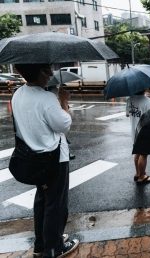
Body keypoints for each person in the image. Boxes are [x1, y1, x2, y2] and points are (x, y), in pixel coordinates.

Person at [12, 63, 78, 257]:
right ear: (37, 71)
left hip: (32, 158)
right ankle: (54, 248)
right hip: (53, 159)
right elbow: (64, 125)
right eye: (46, 69)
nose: (50, 73)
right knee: (56, 204)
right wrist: (64, 102)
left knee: (42, 200)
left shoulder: (18, 94)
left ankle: (42, 244)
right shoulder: (47, 98)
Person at [126, 91, 150, 184]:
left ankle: (138, 173)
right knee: (143, 154)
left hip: (134, 131)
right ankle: (142, 177)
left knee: (137, 152)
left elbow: (127, 114)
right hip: (143, 131)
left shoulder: (129, 99)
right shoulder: (148, 101)